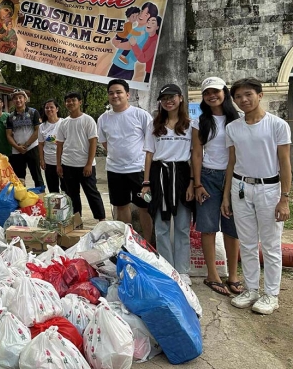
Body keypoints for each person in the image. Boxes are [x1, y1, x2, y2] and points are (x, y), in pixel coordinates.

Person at [223, 78, 291, 315]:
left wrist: (284, 197)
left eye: (248, 94)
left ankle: (271, 294)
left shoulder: (277, 125)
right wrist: (226, 197)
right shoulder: (233, 128)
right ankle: (251, 289)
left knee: (271, 245)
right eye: (238, 97)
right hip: (240, 187)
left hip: (269, 189)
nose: (244, 100)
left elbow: (284, 163)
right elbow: (231, 162)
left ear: (260, 95)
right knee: (248, 242)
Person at [191, 77, 243, 296]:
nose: (212, 95)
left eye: (216, 91)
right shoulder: (200, 121)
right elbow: (195, 153)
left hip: (235, 176)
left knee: (232, 228)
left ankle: (233, 275)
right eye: (207, 93)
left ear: (225, 92)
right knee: (208, 226)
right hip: (209, 176)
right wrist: (197, 183)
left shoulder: (238, 119)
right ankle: (212, 274)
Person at [141, 84, 194, 284]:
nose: (168, 101)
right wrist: (146, 182)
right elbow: (149, 154)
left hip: (182, 174)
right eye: (164, 98)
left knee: (182, 226)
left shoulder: (191, 125)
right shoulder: (154, 125)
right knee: (161, 225)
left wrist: (192, 183)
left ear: (180, 98)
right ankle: (167, 267)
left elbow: (195, 156)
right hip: (159, 176)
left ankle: (182, 270)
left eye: (172, 97)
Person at [97, 79, 153, 242]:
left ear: (127, 94)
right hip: (115, 170)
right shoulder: (103, 118)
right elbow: (105, 142)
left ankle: (147, 242)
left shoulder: (141, 115)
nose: (115, 95)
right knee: (121, 206)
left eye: (119, 92)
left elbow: (150, 142)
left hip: (139, 170)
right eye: (111, 93)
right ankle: (126, 241)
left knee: (144, 207)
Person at [56, 91, 105, 220]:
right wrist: (59, 164)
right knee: (72, 195)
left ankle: (102, 220)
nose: (70, 103)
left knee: (92, 193)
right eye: (68, 101)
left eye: (73, 100)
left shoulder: (88, 120)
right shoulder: (63, 123)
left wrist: (89, 164)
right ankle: (76, 220)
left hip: (85, 165)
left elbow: (93, 142)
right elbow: (60, 145)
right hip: (68, 164)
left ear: (80, 102)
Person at [107, 1, 158, 80]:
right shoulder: (133, 29)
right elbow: (123, 41)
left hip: (125, 69)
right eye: (141, 11)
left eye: (146, 14)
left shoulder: (145, 32)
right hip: (116, 64)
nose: (141, 15)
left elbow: (129, 45)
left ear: (151, 18)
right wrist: (115, 41)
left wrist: (117, 44)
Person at [6, 89, 44, 187]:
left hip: (32, 148)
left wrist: (27, 144)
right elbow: (8, 135)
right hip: (17, 150)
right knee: (19, 179)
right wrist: (17, 147)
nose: (18, 100)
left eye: (20, 97)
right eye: (15, 98)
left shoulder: (33, 112)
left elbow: (38, 130)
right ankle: (21, 200)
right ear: (13, 101)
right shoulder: (10, 116)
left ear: (25, 99)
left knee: (37, 176)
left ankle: (41, 199)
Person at [38, 99, 64, 193]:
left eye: (51, 107)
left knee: (66, 188)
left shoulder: (64, 123)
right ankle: (56, 207)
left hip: (63, 161)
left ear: (57, 109)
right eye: (46, 108)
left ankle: (67, 206)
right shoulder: (42, 126)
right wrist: (42, 160)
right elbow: (40, 144)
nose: (49, 109)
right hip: (49, 161)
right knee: (53, 189)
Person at [129, 15, 161, 83]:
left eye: (153, 23)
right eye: (148, 21)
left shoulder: (155, 41)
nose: (149, 24)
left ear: (157, 27)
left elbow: (143, 58)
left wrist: (134, 45)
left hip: (152, 74)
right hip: (149, 72)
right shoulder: (150, 37)